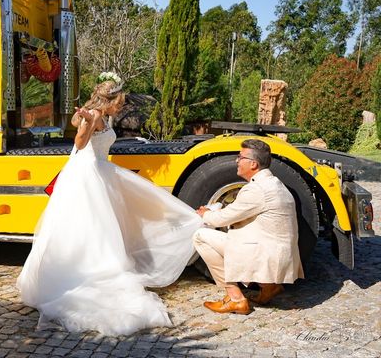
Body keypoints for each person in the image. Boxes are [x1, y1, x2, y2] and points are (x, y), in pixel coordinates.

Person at [16, 74, 203, 336]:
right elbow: (79, 143)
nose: (121, 107)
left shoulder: (97, 115)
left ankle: (92, 265)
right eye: (119, 102)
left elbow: (73, 121)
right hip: (87, 173)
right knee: (90, 225)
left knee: (98, 226)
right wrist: (86, 122)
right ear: (110, 100)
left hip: (98, 171)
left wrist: (82, 117)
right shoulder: (94, 116)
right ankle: (88, 272)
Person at [193, 139, 304, 315]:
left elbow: (220, 219)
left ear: (253, 164)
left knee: (200, 236)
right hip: (280, 256)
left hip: (268, 256)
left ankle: (235, 298)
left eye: (240, 157)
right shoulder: (276, 183)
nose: (237, 160)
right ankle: (270, 287)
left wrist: (204, 214)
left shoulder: (256, 189)